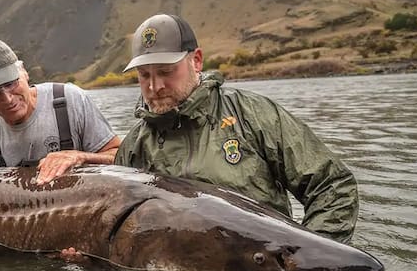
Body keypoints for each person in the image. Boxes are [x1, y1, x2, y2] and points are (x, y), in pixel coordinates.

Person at [114, 14, 358, 243]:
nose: (154, 86)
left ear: (196, 61)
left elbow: (332, 186)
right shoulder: (134, 146)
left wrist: (311, 258)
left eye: (166, 72)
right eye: (144, 75)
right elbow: (117, 224)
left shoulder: (254, 115)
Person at [0, 38, 120, 184]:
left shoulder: (71, 100)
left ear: (23, 72)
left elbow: (120, 157)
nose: (7, 99)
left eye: (10, 83)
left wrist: (80, 156)